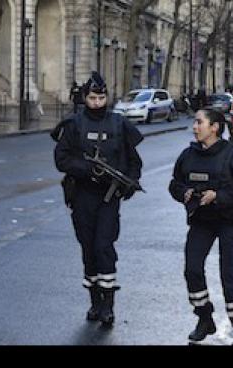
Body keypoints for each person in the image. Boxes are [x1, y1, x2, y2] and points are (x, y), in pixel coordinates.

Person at [53, 71, 144, 326]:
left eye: (101, 97)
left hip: (108, 197)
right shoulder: (74, 125)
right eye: (92, 97)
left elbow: (135, 163)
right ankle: (94, 302)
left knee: (104, 246)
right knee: (88, 249)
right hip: (82, 195)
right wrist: (85, 168)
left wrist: (129, 182)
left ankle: (108, 305)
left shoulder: (119, 124)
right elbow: (61, 160)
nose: (97, 102)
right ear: (85, 98)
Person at [169, 109, 233, 345]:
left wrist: (217, 196)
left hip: (229, 221)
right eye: (195, 122)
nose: (195, 127)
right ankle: (204, 318)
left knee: (230, 274)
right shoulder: (188, 155)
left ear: (214, 127)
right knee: (192, 269)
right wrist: (184, 193)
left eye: (199, 122)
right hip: (201, 221)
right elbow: (174, 183)